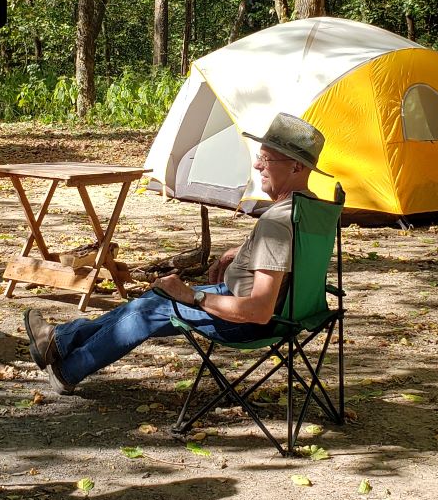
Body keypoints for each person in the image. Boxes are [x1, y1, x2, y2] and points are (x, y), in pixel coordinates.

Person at [24, 112, 328, 394]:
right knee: (155, 296)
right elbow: (288, 254)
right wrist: (242, 252)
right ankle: (61, 342)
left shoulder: (276, 223)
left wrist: (192, 296)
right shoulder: (311, 209)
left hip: (246, 321)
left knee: (155, 308)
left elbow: (258, 311)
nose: (258, 166)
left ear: (296, 167)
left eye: (266, 158)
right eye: (259, 156)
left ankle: (68, 367)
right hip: (286, 312)